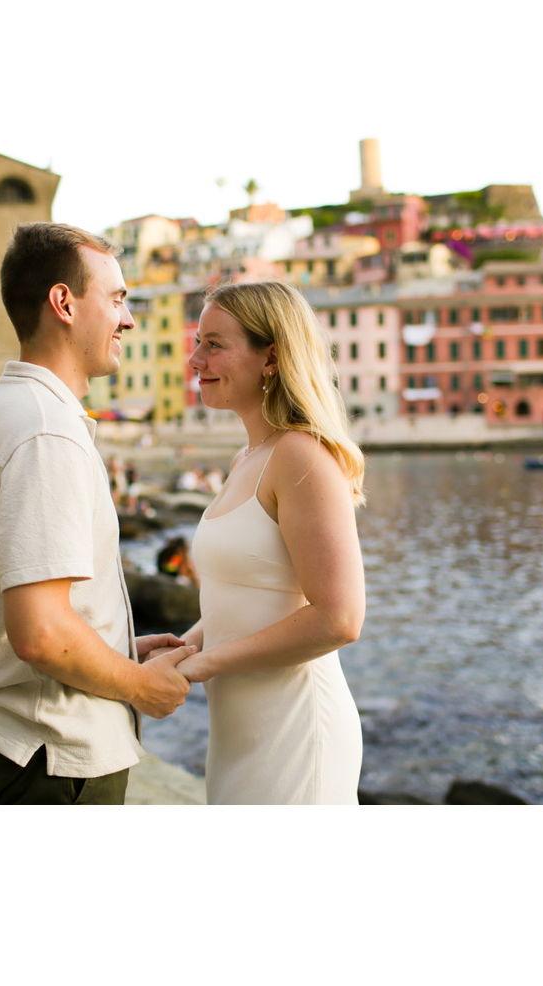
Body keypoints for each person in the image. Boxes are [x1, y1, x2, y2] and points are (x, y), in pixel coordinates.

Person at [0, 223, 195, 805]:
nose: (128, 319)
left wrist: (118, 648)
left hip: (16, 739)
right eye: (116, 299)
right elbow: (39, 632)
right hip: (53, 755)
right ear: (63, 303)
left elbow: (40, 603)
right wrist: (140, 686)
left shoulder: (3, 408)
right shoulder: (46, 432)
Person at [154, 280, 366, 804]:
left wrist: (209, 663)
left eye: (214, 344)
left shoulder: (302, 457)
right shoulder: (246, 459)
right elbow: (248, 593)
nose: (194, 358)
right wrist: (189, 644)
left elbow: (339, 618)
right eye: (197, 341)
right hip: (240, 729)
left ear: (270, 357)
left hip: (296, 728)